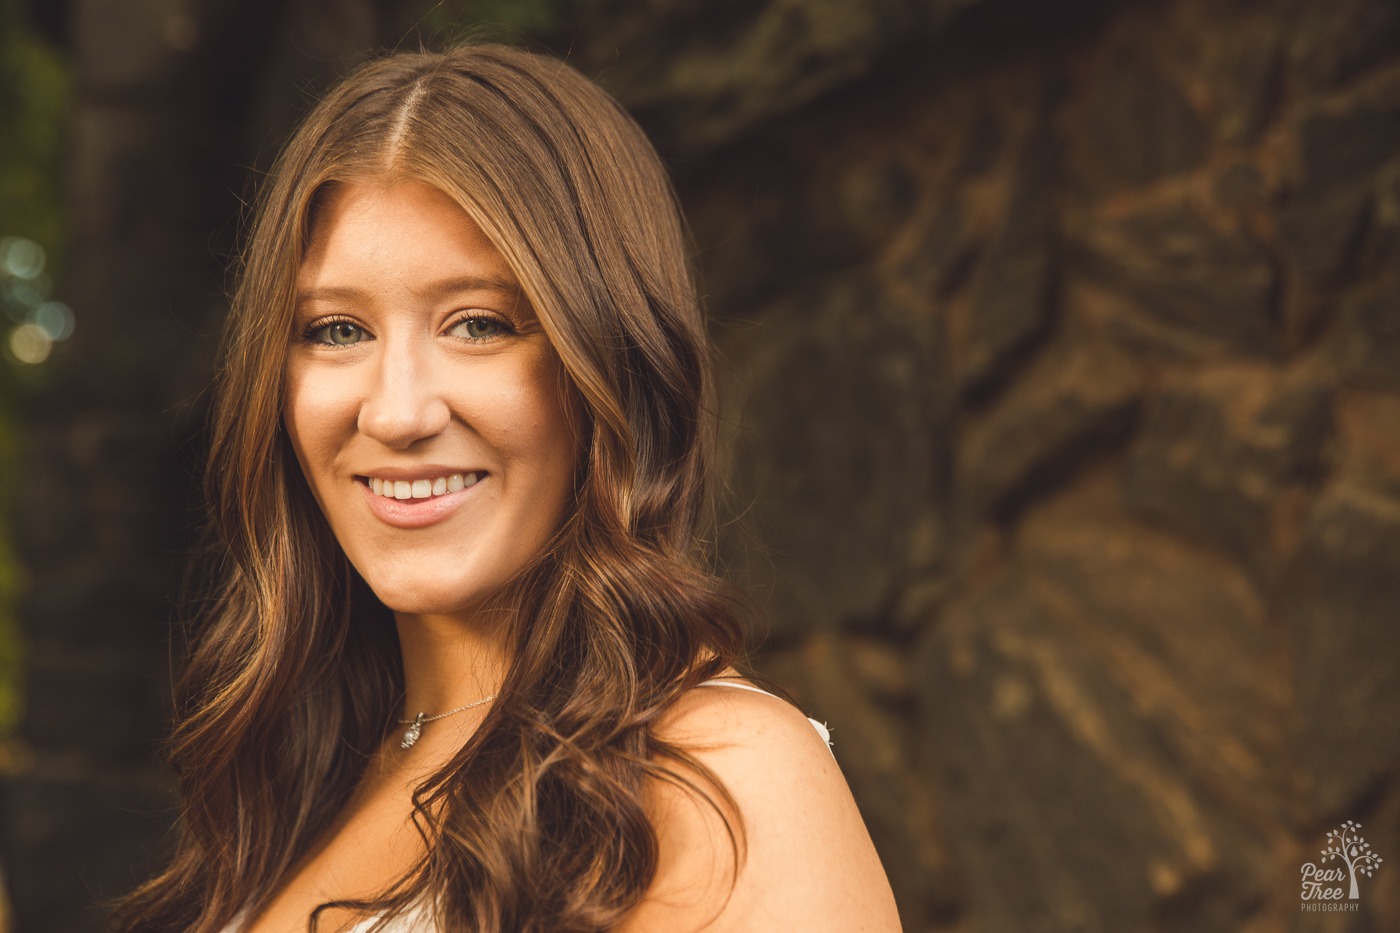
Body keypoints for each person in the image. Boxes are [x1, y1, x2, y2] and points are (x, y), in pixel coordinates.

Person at [115, 44, 901, 933]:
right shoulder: (296, 785)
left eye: (479, 324)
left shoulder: (716, 773)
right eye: (336, 329)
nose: (398, 410)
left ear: (609, 361)